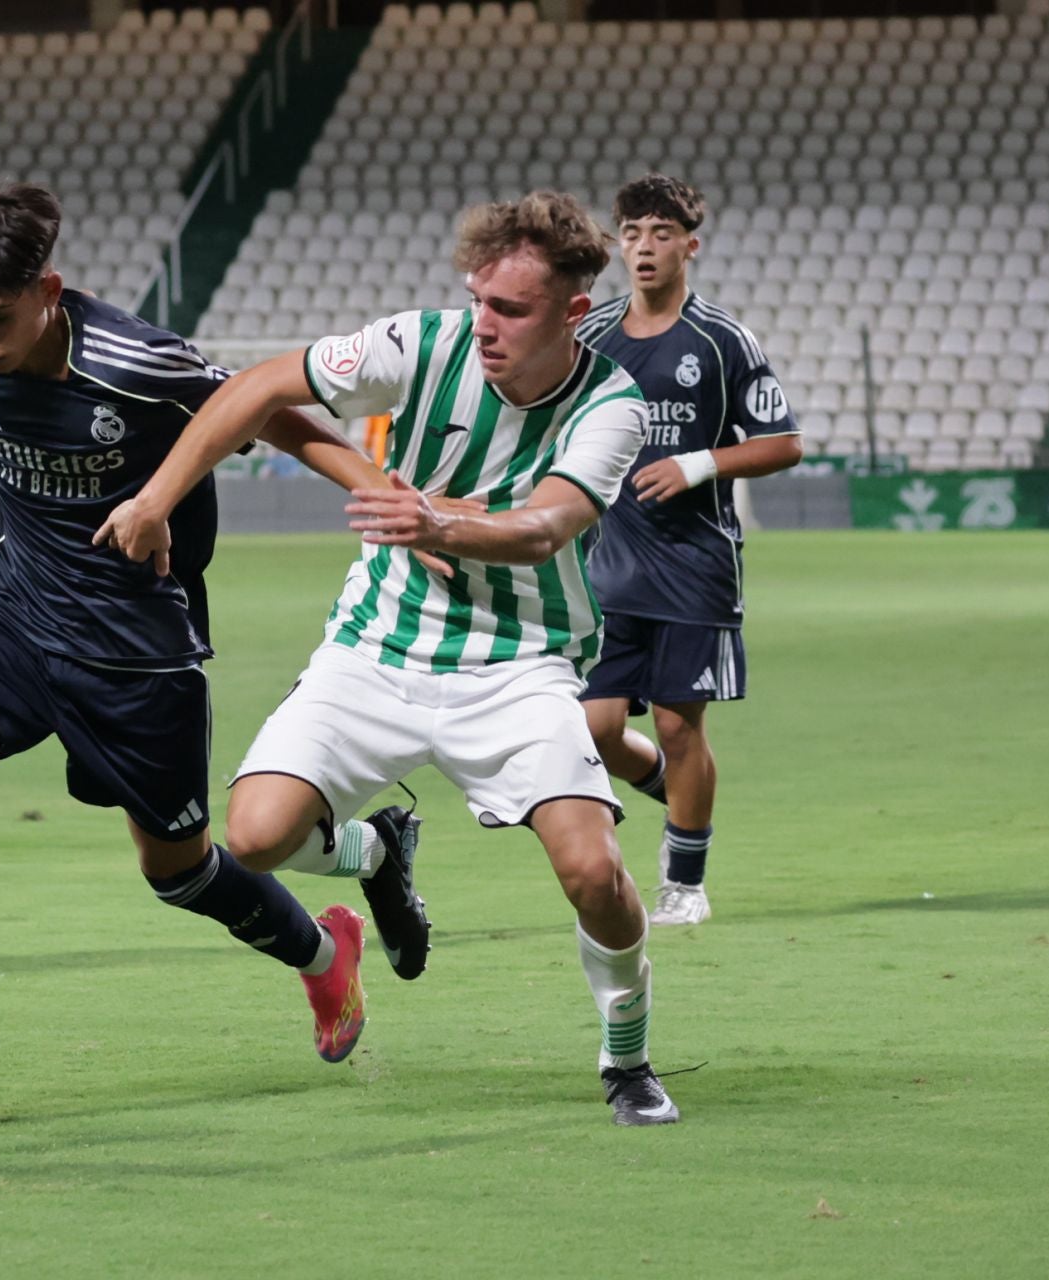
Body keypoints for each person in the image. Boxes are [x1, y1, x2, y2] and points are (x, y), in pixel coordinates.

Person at [98, 192, 682, 1126]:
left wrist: (436, 520)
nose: (485, 325)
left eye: (513, 310)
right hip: (376, 643)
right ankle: (377, 852)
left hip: (518, 662)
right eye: (479, 299)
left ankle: (627, 1058)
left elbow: (548, 528)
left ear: (574, 313)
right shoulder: (420, 343)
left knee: (592, 872)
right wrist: (161, 497)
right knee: (250, 835)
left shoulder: (612, 403)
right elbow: (253, 389)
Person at [0, 183, 417, 1084]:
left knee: (180, 872)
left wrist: (379, 490)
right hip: (12, 611)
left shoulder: (133, 360)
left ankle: (327, 953)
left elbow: (265, 407)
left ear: (50, 289)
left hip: (133, 649)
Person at [574, 175, 803, 927]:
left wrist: (699, 463)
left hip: (695, 569)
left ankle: (685, 881)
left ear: (689, 246)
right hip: (605, 566)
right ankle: (677, 797)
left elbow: (784, 443)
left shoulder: (722, 340)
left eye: (661, 234)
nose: (644, 247)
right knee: (595, 730)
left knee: (679, 726)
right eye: (633, 233)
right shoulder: (592, 338)